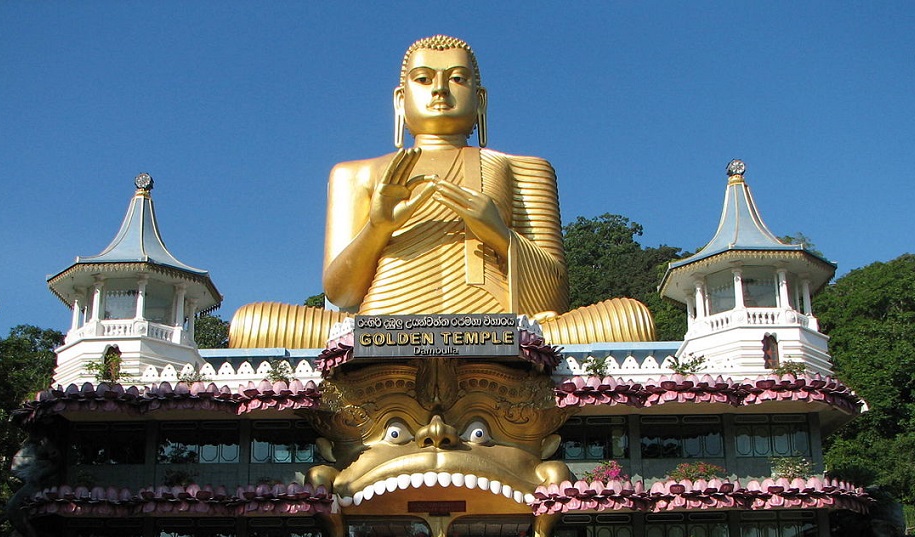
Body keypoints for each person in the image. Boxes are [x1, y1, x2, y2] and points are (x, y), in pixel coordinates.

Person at [229, 34, 655, 348]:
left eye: (456, 79)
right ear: (400, 100)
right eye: (423, 79)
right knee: (250, 323)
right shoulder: (355, 173)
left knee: (631, 318)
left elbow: (554, 296)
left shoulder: (521, 167)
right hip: (380, 328)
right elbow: (342, 295)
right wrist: (377, 227)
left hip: (499, 328)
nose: (439, 90)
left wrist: (498, 234)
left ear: (481, 100)